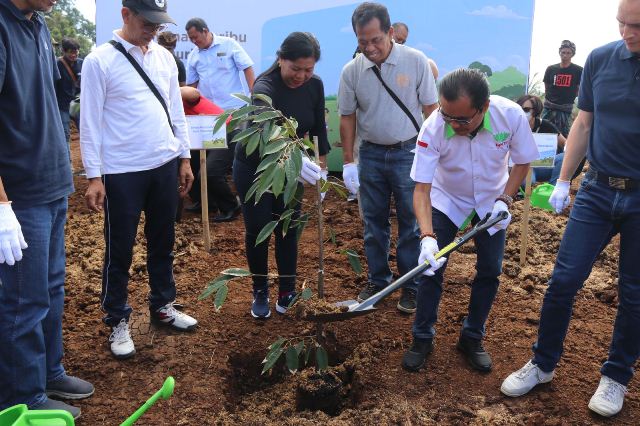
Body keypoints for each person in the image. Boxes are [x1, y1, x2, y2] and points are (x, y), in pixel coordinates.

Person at [501, 0, 640, 418]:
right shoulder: (600, 60)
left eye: (636, 26)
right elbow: (583, 122)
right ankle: (542, 363)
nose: (626, 32)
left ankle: (616, 376)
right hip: (597, 189)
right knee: (563, 280)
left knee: (634, 295)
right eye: (621, 23)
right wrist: (564, 180)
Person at [80, 0, 198, 360]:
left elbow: (175, 109)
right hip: (122, 171)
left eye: (158, 25)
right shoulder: (99, 60)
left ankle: (163, 304)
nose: (153, 31)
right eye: (148, 23)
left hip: (163, 163)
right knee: (120, 249)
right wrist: (94, 176)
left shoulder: (162, 57)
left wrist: (184, 157)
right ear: (125, 14)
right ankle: (117, 317)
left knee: (162, 239)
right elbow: (90, 122)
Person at [401, 68, 538, 373]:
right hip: (447, 198)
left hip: (492, 200)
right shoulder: (434, 126)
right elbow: (421, 188)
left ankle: (472, 336)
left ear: (484, 107)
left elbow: (523, 160)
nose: (453, 124)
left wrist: (505, 199)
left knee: (490, 270)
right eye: (447, 116)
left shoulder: (511, 116)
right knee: (431, 268)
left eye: (462, 119)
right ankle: (422, 337)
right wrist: (426, 236)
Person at [0, 0, 93, 419]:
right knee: (24, 300)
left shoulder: (36, 24)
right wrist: (2, 205)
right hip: (20, 195)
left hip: (53, 183)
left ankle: (48, 371)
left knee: (52, 289)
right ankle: (22, 397)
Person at [338, 2, 438, 313]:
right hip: (370, 153)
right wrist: (348, 162)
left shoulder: (416, 61)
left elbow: (431, 111)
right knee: (373, 222)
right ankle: (379, 280)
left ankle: (410, 284)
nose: (369, 47)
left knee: (410, 222)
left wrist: (435, 155)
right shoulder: (352, 70)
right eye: (362, 41)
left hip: (409, 152)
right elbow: (347, 117)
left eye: (375, 39)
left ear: (390, 33)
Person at [233, 32, 326, 319]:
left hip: (291, 171)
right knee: (259, 230)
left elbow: (319, 128)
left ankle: (287, 291)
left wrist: (321, 167)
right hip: (256, 169)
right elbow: (264, 131)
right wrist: (294, 160)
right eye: (295, 68)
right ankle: (260, 290)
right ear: (281, 59)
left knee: (287, 228)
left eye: (308, 69)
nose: (301, 75)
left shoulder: (315, 86)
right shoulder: (264, 86)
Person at [185, 17, 255, 222]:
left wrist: (254, 93)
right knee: (195, 163)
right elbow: (192, 86)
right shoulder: (193, 56)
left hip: (234, 115)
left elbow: (247, 67)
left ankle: (231, 206)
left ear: (206, 31)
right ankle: (205, 201)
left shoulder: (229, 45)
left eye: (196, 37)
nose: (194, 41)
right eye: (190, 39)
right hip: (207, 118)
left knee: (213, 169)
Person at [516, 94, 566, 185]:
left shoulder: (545, 125)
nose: (522, 112)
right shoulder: (513, 126)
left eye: (526, 110)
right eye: (519, 109)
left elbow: (565, 144)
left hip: (543, 166)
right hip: (521, 167)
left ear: (535, 111)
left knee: (565, 156)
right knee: (527, 182)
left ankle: (552, 191)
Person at [542, 40, 583, 137]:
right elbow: (547, 87)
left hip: (565, 109)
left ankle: (562, 152)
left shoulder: (578, 70)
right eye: (563, 52)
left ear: (572, 54)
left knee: (564, 135)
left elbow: (578, 88)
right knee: (543, 132)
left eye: (568, 53)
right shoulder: (551, 69)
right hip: (549, 107)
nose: (565, 55)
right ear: (559, 52)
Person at [54, 37, 83, 161]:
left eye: (76, 51)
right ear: (64, 51)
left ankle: (93, 161)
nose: (74, 54)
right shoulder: (56, 65)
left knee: (86, 132)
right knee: (64, 135)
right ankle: (67, 163)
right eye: (71, 51)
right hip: (62, 106)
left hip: (78, 105)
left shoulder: (82, 63)